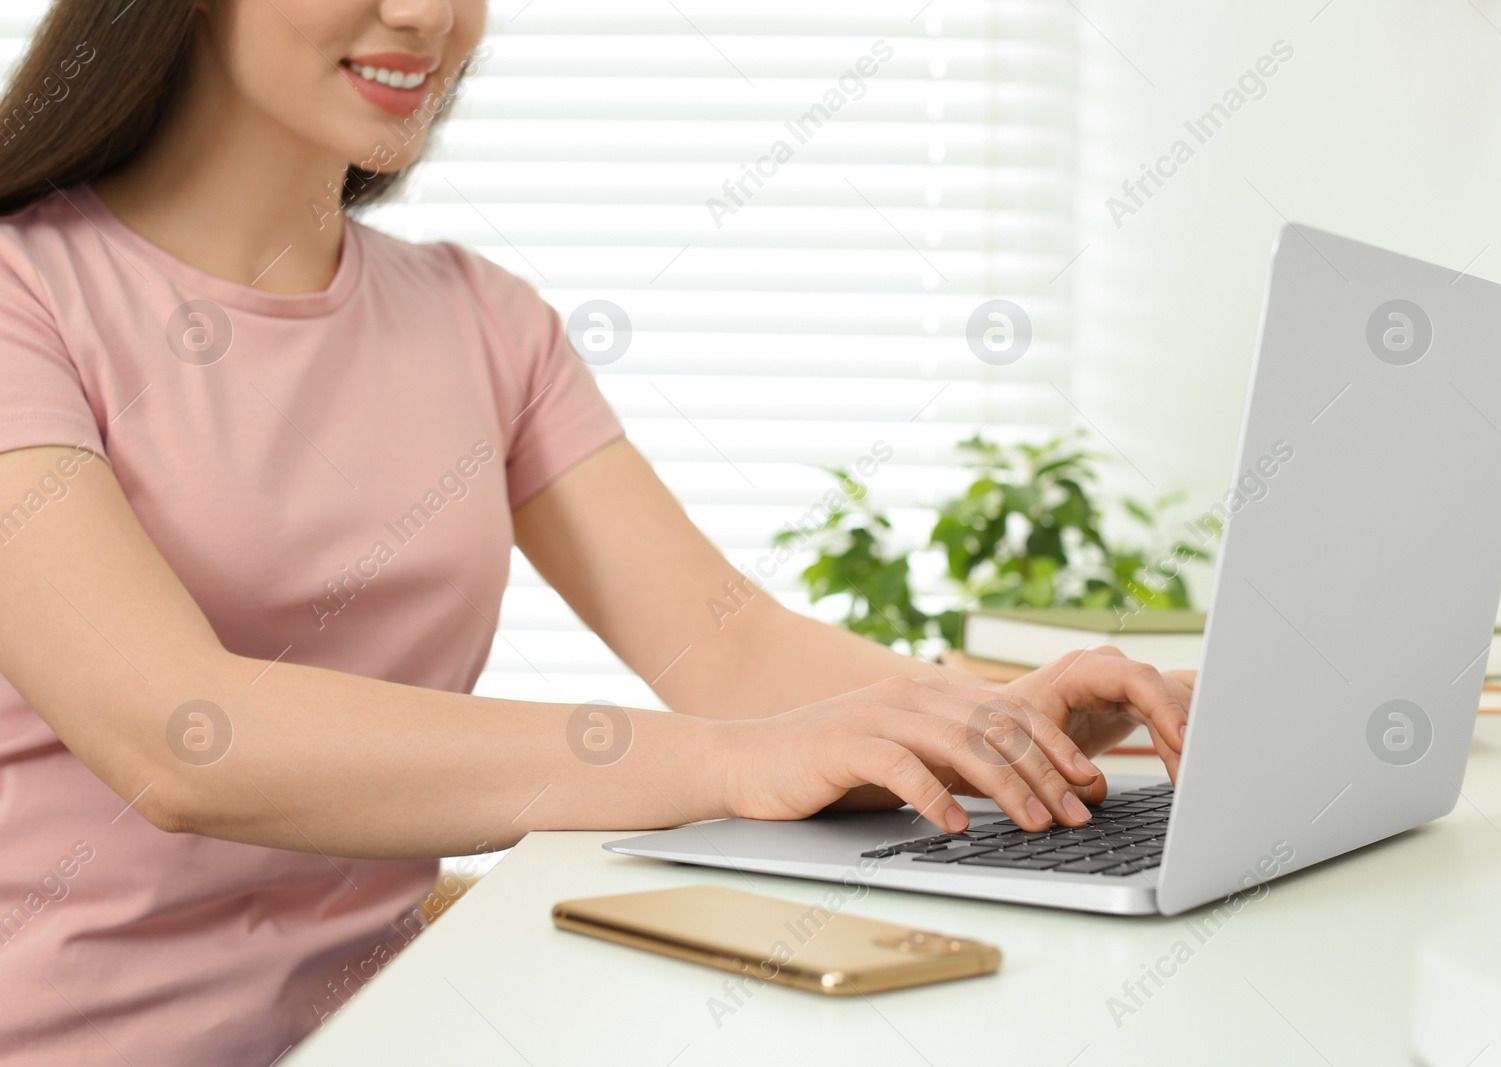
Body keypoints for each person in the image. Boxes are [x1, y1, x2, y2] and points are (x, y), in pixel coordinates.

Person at [0, 0, 1193, 1062]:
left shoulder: (481, 320)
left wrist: (988, 719)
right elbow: (180, 739)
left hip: (393, 1028)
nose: (426, 15)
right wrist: (729, 761)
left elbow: (726, 648)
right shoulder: (25, 294)